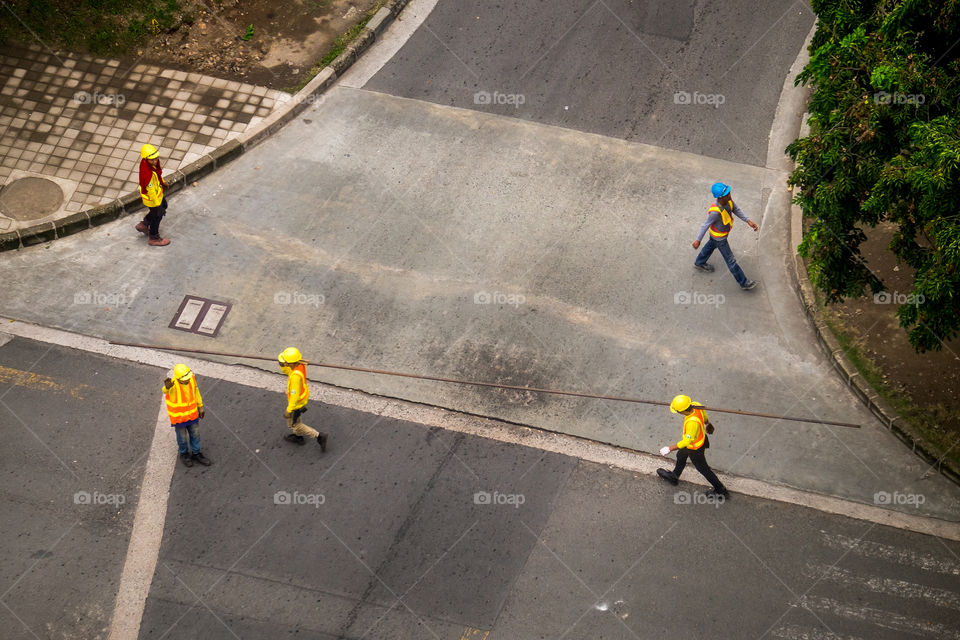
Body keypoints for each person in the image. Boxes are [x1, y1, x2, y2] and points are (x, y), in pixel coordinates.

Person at [656, 394, 728, 498]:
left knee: (703, 469)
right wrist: (707, 424)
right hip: (699, 440)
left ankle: (721, 490)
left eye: (677, 411)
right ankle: (674, 476)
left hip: (695, 448)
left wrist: (669, 448)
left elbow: (686, 442)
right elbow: (704, 416)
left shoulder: (692, 423)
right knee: (681, 455)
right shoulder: (696, 405)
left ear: (682, 411)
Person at [692, 182, 758, 290]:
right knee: (731, 260)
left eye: (729, 193)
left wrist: (748, 220)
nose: (730, 195)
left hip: (716, 237)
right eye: (727, 194)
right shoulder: (715, 212)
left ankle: (699, 262)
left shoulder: (728, 201)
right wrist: (698, 240)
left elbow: (736, 209)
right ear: (720, 197)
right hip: (720, 239)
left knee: (710, 246)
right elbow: (705, 225)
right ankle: (744, 282)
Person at [278, 347, 328, 451]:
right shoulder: (300, 365)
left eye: (286, 362)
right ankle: (298, 437)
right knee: (296, 422)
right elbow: (288, 370)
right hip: (301, 401)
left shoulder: (295, 377)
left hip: (296, 404)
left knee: (295, 425)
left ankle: (319, 436)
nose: (285, 364)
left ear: (292, 363)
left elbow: (294, 395)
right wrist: (282, 364)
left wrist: (289, 410)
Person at [163, 364, 211, 467]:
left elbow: (196, 392)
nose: (187, 380)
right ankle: (184, 454)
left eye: (188, 378)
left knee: (195, 435)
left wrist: (200, 406)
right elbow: (165, 390)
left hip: (192, 416)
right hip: (179, 419)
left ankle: (196, 453)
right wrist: (167, 387)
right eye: (184, 379)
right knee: (182, 438)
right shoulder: (172, 385)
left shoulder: (191, 379)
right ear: (178, 378)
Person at [135, 143, 171, 247]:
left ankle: (145, 224)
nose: (155, 161)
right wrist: (157, 205)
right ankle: (154, 237)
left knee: (164, 206)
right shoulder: (147, 174)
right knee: (157, 216)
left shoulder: (147, 165)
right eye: (152, 160)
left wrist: (162, 182)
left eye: (156, 158)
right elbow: (150, 190)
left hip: (157, 195)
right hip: (153, 199)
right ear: (146, 159)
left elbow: (157, 175)